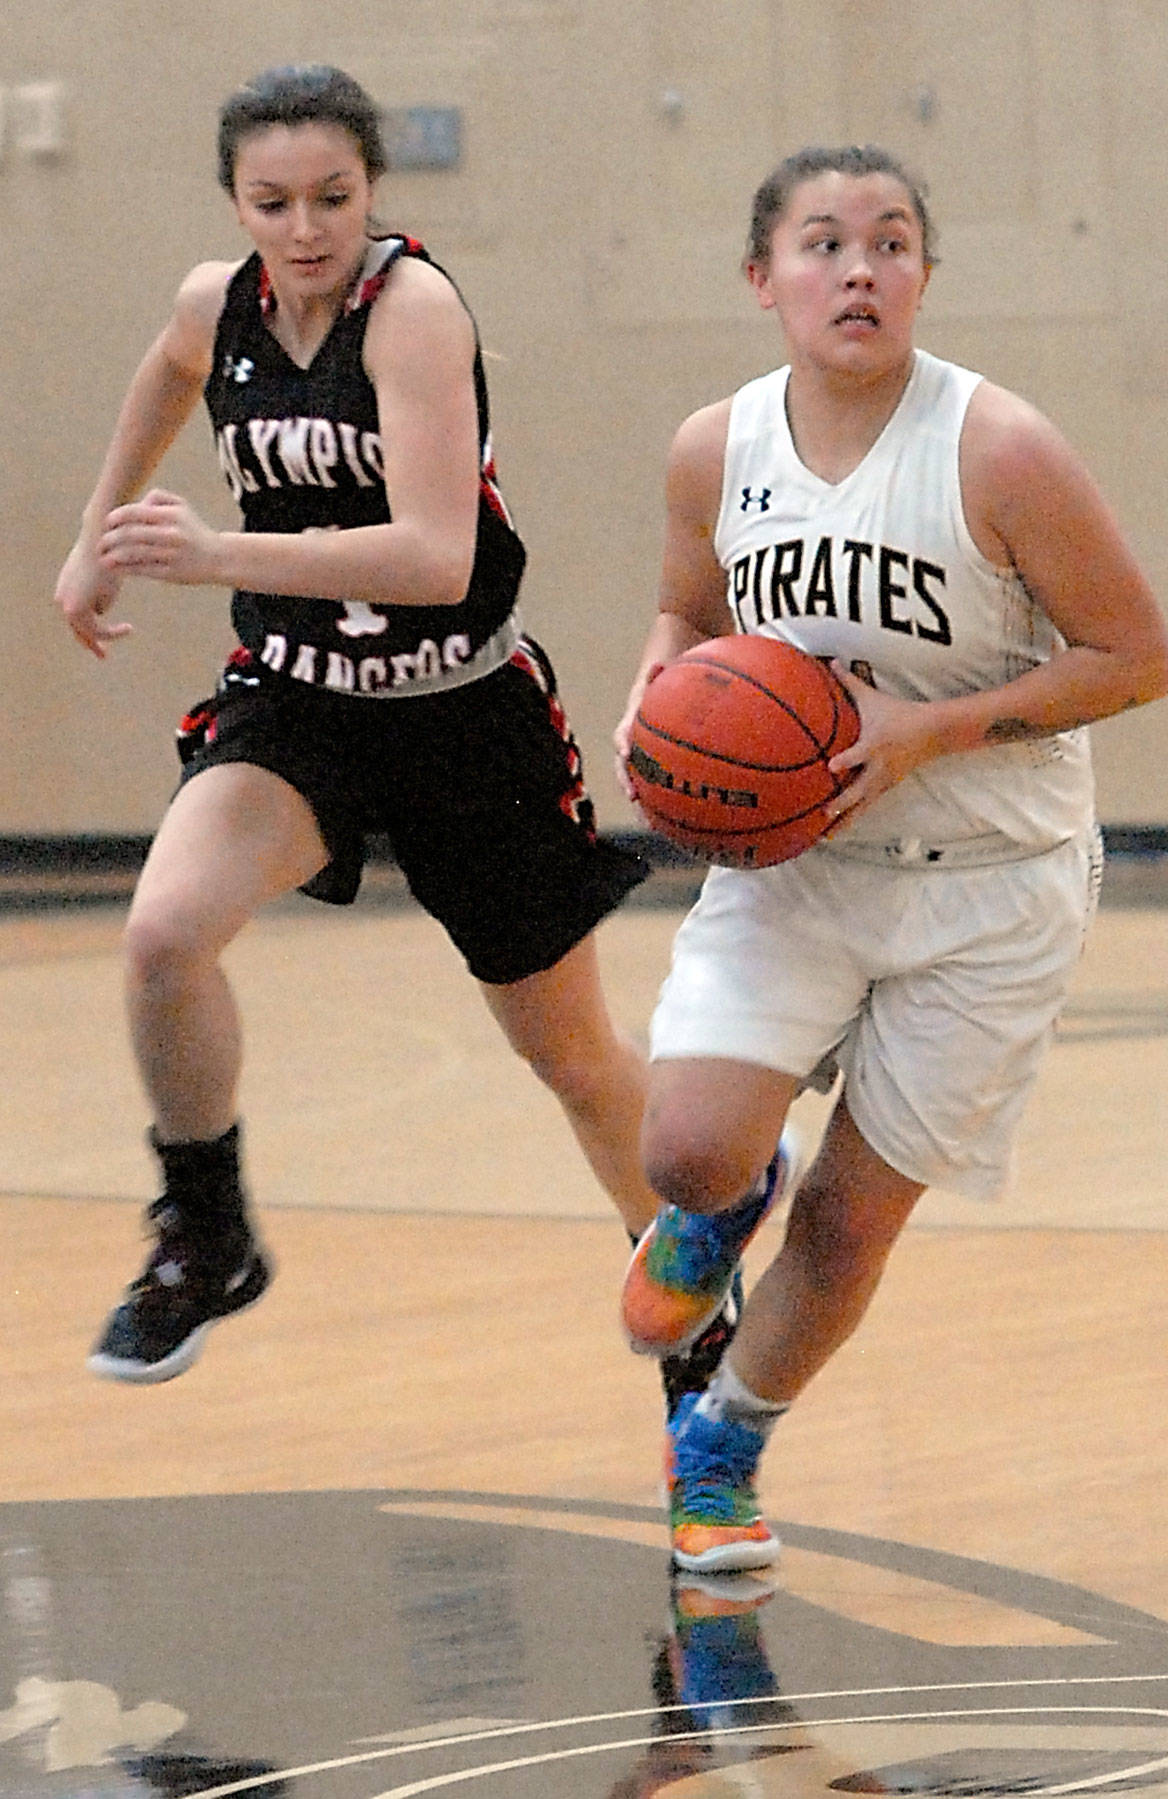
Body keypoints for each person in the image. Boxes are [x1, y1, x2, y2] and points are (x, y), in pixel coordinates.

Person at [54, 63, 730, 1400]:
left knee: (574, 1059)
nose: (304, 229)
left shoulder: (411, 313)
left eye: (332, 198)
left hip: (460, 714)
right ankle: (209, 1231)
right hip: (300, 699)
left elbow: (433, 553)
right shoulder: (218, 303)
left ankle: (697, 1298)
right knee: (162, 937)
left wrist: (208, 550)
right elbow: (167, 370)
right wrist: (96, 536)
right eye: (271, 202)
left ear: (373, 190)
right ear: (234, 204)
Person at [615, 144, 1168, 1573]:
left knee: (855, 1224)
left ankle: (726, 1442)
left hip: (992, 882)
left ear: (924, 273)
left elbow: (1137, 658)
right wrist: (655, 693)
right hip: (802, 860)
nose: (858, 268)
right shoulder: (713, 446)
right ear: (764, 279)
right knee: (683, 1147)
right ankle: (727, 1198)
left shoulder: (1000, 447)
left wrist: (937, 727)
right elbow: (687, 619)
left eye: (892, 242)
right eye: (822, 243)